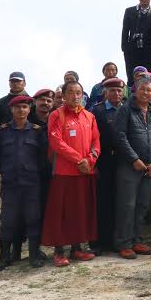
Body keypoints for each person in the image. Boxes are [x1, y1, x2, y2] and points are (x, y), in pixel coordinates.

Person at [42, 80, 100, 266]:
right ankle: (59, 251)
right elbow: (56, 142)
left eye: (78, 93)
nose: (75, 97)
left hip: (85, 172)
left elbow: (96, 142)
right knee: (61, 212)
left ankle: (76, 248)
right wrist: (78, 159)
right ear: (64, 95)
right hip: (64, 172)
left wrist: (90, 160)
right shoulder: (57, 115)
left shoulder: (89, 116)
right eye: (71, 93)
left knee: (80, 211)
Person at [0, 95, 47, 270]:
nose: (21, 110)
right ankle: (4, 257)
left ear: (29, 109)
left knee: (33, 219)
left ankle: (34, 255)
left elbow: (43, 159)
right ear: (11, 110)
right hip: (10, 185)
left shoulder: (37, 131)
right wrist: (8, 172)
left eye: (24, 107)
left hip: (31, 185)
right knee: (8, 222)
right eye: (17, 107)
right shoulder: (2, 131)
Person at [113, 79, 151, 259]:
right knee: (127, 205)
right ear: (135, 90)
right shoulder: (125, 109)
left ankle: (136, 239)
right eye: (143, 89)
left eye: (149, 90)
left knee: (142, 205)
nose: (146, 93)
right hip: (129, 166)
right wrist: (134, 158)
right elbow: (119, 136)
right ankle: (123, 243)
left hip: (149, 167)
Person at [89, 78, 124, 255]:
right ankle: (100, 242)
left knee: (120, 202)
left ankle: (118, 242)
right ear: (105, 93)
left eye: (119, 90)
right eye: (112, 91)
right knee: (103, 202)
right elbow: (91, 139)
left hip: (124, 162)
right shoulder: (97, 111)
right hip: (103, 162)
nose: (116, 94)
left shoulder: (127, 109)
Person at [121, 0, 151, 84]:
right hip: (132, 49)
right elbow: (125, 31)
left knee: (149, 76)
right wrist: (124, 48)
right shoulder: (130, 11)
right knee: (131, 76)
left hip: (149, 50)